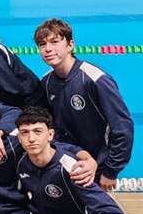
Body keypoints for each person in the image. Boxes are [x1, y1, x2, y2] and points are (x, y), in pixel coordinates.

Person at [34, 18, 134, 191]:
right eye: (42, 45)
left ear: (70, 45)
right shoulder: (47, 82)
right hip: (67, 164)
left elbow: (122, 128)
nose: (48, 49)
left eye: (55, 42)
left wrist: (111, 171)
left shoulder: (95, 79)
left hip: (99, 169)